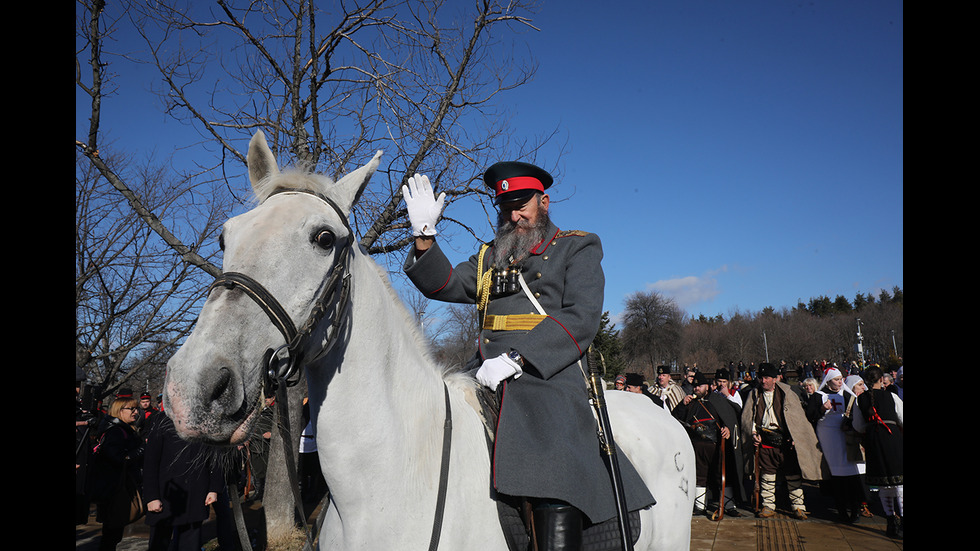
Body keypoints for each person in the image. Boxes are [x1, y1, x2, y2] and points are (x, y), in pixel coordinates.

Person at [402, 164, 655, 549]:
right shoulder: (491, 256)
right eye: (505, 207)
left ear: (544, 202)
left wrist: (519, 358)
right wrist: (424, 237)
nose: (514, 215)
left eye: (522, 205)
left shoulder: (576, 246)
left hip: (546, 373)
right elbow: (446, 284)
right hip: (483, 371)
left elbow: (581, 318)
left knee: (551, 453)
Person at [740, 362, 823, 520]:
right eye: (761, 377)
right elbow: (748, 417)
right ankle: (768, 505)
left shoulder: (787, 393)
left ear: (775, 379)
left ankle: (798, 506)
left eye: (766, 378)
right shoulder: (754, 394)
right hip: (765, 440)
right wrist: (753, 433)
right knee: (767, 475)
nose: (763, 381)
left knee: (792, 475)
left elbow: (797, 419)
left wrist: (795, 438)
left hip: (785, 441)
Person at [142, 411, 225, 551]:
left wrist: (214, 488)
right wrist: (152, 497)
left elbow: (216, 457)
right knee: (158, 543)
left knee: (190, 544)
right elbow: (150, 462)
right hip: (165, 494)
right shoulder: (163, 420)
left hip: (195, 493)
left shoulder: (207, 420)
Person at [673, 372, 745, 519]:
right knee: (700, 476)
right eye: (695, 386)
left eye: (699, 386)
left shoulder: (717, 400)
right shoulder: (690, 402)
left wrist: (727, 428)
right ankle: (700, 506)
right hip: (697, 445)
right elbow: (676, 418)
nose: (696, 389)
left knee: (724, 474)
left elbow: (731, 416)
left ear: (707, 386)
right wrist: (682, 405)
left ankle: (728, 505)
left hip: (716, 445)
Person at [806, 367, 867, 524]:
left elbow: (856, 413)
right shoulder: (818, 396)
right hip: (828, 437)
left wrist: (849, 424)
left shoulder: (847, 395)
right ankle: (841, 510)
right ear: (828, 381)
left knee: (852, 472)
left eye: (841, 379)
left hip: (845, 436)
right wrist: (822, 409)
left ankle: (855, 510)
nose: (840, 382)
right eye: (836, 379)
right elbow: (810, 416)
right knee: (836, 474)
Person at [852, 366, 904, 539]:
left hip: (874, 440)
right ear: (882, 379)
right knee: (900, 483)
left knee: (884, 484)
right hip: (892, 439)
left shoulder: (860, 400)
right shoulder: (892, 396)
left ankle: (891, 522)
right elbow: (902, 418)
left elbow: (858, 426)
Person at [87, 396, 144, 551]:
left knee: (113, 534)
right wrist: (142, 449)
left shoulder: (123, 429)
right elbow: (118, 458)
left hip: (117, 487)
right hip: (114, 490)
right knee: (111, 534)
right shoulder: (115, 432)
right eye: (131, 409)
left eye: (136, 408)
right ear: (119, 411)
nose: (135, 412)